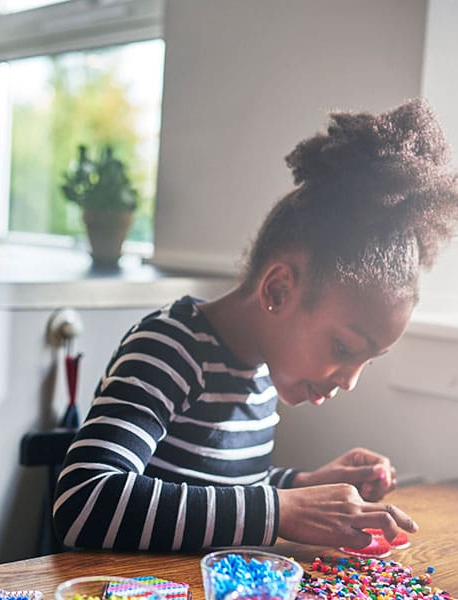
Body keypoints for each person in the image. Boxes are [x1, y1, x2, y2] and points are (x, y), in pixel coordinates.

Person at [53, 99, 458, 553]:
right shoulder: (169, 348)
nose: (350, 380)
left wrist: (303, 485)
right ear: (279, 291)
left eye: (368, 361)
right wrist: (284, 510)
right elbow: (83, 504)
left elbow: (221, 488)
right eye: (344, 348)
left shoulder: (263, 374)